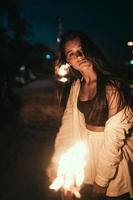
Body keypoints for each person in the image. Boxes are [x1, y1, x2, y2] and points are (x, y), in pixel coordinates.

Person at [47, 30, 133, 200]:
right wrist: (57, 161)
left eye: (81, 49)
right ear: (68, 62)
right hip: (85, 159)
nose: (78, 56)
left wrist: (101, 183)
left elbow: (113, 142)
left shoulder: (111, 88)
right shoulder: (76, 87)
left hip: (112, 163)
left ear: (90, 49)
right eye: (71, 54)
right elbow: (68, 127)